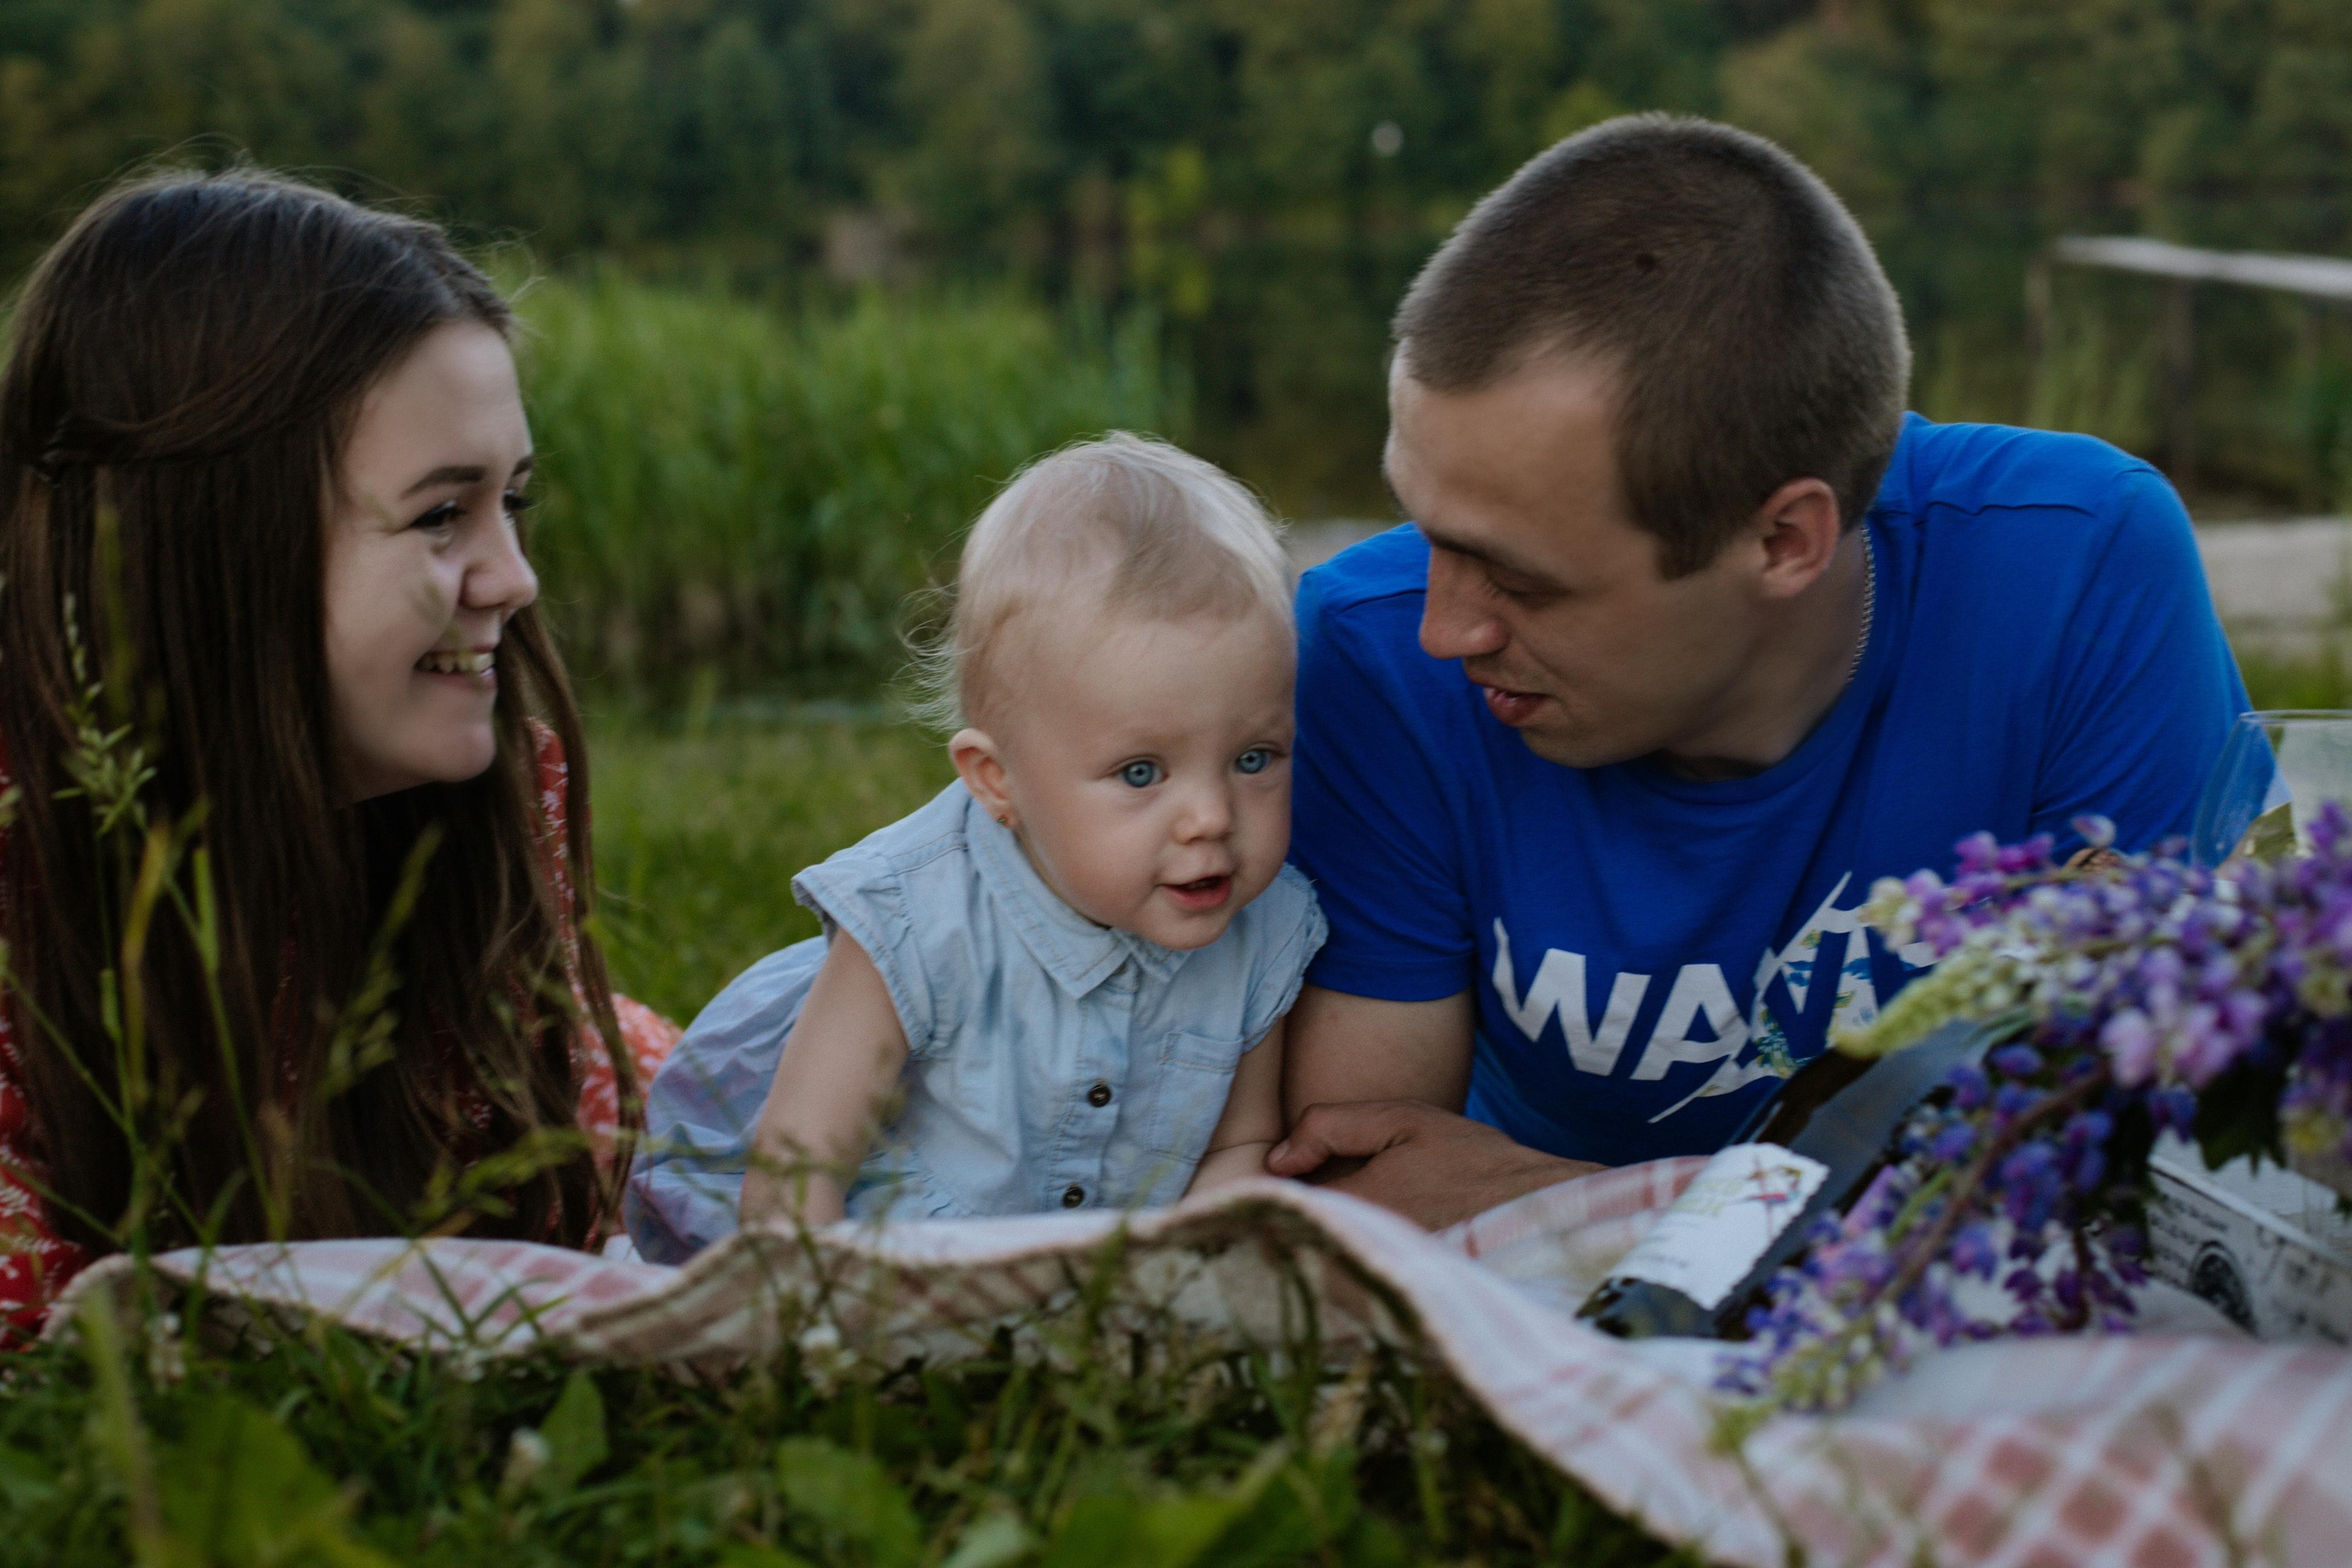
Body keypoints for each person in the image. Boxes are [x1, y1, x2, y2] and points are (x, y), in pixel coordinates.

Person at [1261, 115, 2247, 1229]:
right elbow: (1372, 1184)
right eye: (1424, 527)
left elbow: (2155, 1170)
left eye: (1520, 581)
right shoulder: (1370, 648)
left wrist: (1601, 1204)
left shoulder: (2075, 571)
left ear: (1783, 541)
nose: (1445, 628)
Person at [0, 170, 679, 1339]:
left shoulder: (489, 798)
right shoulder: (28, 850)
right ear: (211, 549)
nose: (514, 578)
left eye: (513, 501)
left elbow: (546, 1197)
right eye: (438, 515)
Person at [626, 435, 1324, 1260]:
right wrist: (815, 1334)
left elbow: (1236, 1150)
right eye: (1142, 772)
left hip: (1084, 1299)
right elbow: (796, 1172)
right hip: (883, 1272)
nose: (1210, 816)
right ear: (997, 779)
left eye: (1254, 759)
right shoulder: (913, 921)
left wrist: (1183, 1284)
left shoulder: (1264, 929)